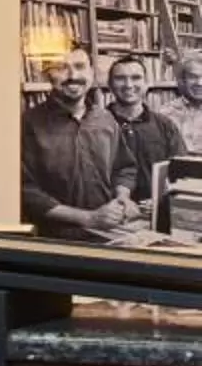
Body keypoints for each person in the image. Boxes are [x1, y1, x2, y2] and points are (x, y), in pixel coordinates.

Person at [21, 44, 133, 239]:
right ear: (47, 74)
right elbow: (25, 190)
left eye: (80, 66)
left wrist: (122, 198)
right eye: (61, 67)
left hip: (107, 233)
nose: (73, 75)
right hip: (54, 239)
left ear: (92, 72)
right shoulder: (27, 124)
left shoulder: (105, 118)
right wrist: (88, 218)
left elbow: (123, 168)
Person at [102, 51, 185, 209]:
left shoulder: (165, 125)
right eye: (120, 78)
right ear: (110, 85)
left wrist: (162, 200)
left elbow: (180, 172)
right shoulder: (96, 126)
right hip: (108, 213)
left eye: (136, 77)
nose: (128, 85)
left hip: (155, 211)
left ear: (147, 83)